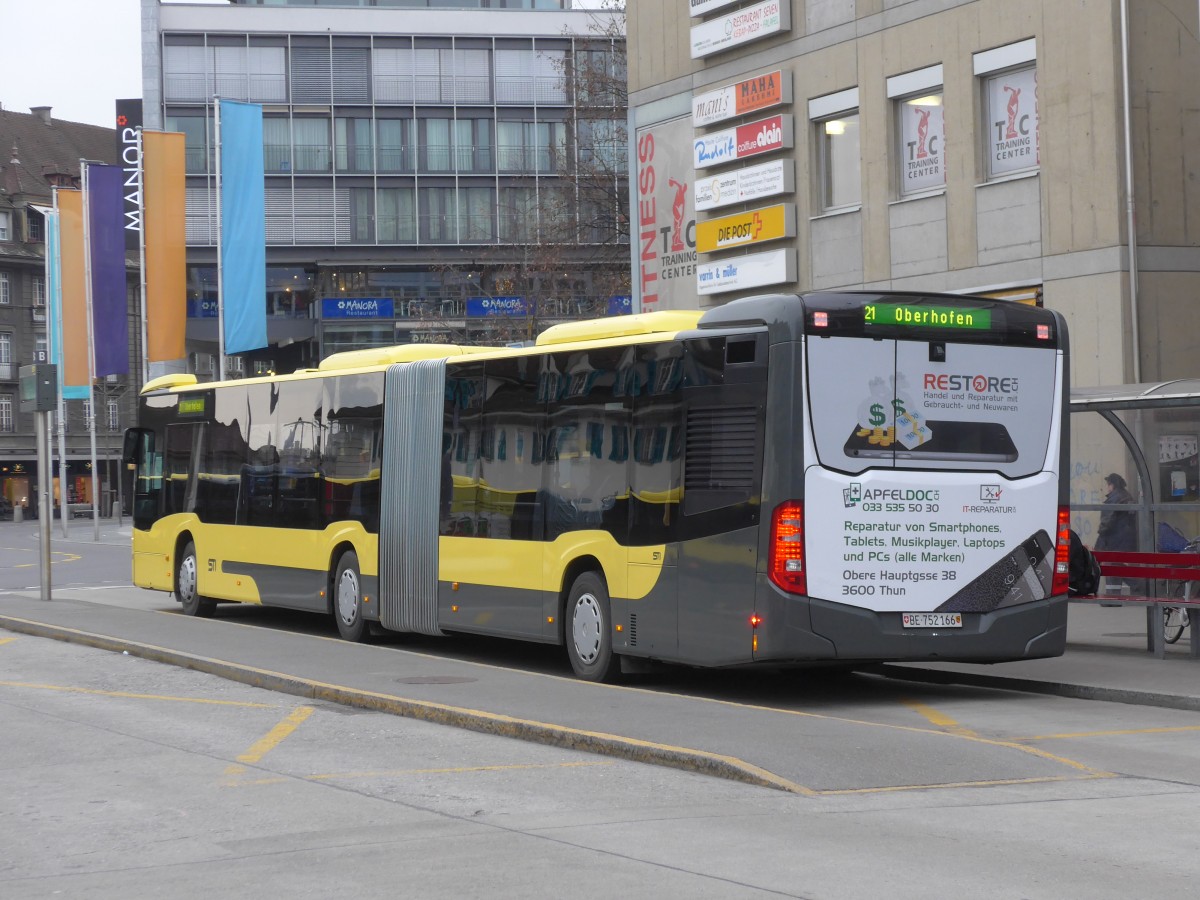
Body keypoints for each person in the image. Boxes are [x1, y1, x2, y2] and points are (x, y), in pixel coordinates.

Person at [1095, 473, 1139, 592]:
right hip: (1126, 537)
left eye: (1108, 484)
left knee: (1110, 564)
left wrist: (1101, 533)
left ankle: (1132, 586)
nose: (1107, 487)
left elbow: (1108, 520)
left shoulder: (1115, 498)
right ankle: (1133, 585)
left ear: (1112, 485)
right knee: (1114, 563)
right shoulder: (1126, 495)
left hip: (1115, 537)